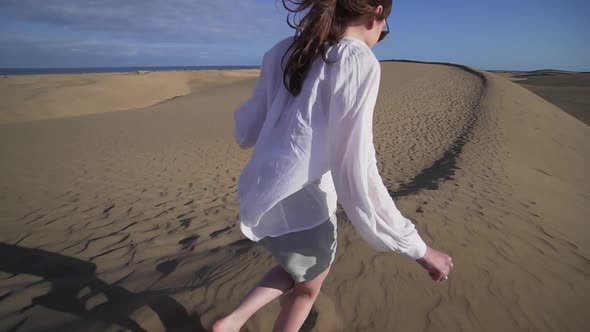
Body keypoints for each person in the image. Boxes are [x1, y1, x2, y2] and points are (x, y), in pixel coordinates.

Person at [213, 1, 453, 331]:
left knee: (297, 269)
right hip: (305, 202)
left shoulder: (285, 51)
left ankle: (232, 322)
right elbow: (356, 172)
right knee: (307, 290)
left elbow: (246, 131)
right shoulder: (356, 61)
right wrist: (419, 249)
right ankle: (231, 323)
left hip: (261, 191)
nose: (383, 34)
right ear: (376, 14)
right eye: (386, 27)